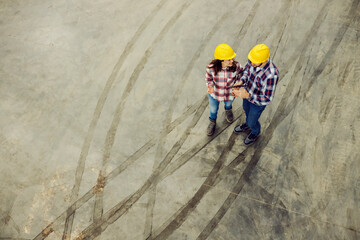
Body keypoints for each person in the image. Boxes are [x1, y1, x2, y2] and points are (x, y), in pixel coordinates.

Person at [232, 44, 279, 145]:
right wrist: (241, 81)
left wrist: (248, 96)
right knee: (246, 110)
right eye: (251, 60)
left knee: (253, 120)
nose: (251, 63)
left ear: (264, 60)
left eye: (254, 62)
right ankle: (248, 124)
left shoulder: (271, 74)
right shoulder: (254, 60)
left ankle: (255, 131)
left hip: (257, 103)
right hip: (247, 94)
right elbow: (246, 72)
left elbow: (267, 98)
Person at [205, 43, 243, 136]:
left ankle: (228, 110)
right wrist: (210, 86)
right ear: (220, 61)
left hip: (229, 94)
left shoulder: (236, 66)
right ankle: (212, 121)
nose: (232, 61)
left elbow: (241, 74)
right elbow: (208, 78)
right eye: (228, 60)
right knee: (213, 109)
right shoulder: (211, 68)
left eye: (232, 58)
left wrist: (238, 84)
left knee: (229, 104)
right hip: (215, 94)